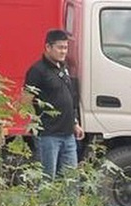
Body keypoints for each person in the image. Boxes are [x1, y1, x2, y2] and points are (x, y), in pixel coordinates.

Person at [24, 29, 84, 179]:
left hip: (68, 135)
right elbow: (25, 101)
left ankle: (70, 204)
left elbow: (68, 98)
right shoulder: (37, 71)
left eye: (66, 47)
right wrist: (35, 123)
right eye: (60, 47)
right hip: (48, 136)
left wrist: (75, 123)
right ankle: (45, 204)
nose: (64, 51)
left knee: (71, 180)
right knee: (47, 180)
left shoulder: (63, 67)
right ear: (48, 47)